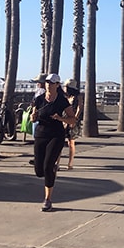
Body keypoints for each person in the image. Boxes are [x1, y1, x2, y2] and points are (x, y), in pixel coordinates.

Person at [31, 73, 76, 212]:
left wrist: (60, 119)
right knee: (39, 171)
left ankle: (47, 199)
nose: (48, 85)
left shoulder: (62, 101)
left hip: (56, 135)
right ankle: (51, 169)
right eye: (47, 83)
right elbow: (34, 117)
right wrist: (33, 117)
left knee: (47, 167)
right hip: (41, 134)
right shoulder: (39, 99)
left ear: (57, 85)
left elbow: (72, 120)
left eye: (51, 83)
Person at [62, 78, 83, 170]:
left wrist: (75, 118)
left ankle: (70, 164)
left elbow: (80, 107)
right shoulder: (64, 96)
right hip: (63, 118)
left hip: (73, 118)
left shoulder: (78, 96)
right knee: (60, 141)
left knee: (71, 142)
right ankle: (56, 162)